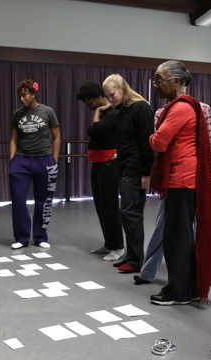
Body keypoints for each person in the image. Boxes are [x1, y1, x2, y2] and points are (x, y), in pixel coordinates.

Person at [135, 75, 211, 285]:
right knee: (165, 226)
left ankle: (194, 277)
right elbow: (160, 148)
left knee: (194, 229)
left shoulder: (203, 109)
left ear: (176, 82)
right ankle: (150, 272)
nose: (156, 85)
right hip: (173, 178)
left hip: (195, 177)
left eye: (160, 80)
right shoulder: (161, 112)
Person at [102, 74, 154, 273]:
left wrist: (146, 172)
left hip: (136, 169)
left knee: (131, 214)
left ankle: (135, 261)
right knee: (128, 214)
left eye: (112, 94)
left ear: (122, 89)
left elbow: (147, 141)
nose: (110, 99)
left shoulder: (140, 107)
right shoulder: (122, 110)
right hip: (125, 168)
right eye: (107, 96)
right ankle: (131, 256)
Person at [9, 79, 60, 250]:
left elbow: (57, 137)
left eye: (24, 95)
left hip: (44, 160)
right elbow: (13, 139)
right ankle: (21, 238)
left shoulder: (47, 111)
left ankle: (40, 237)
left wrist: (54, 160)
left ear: (33, 93)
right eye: (19, 96)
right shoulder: (17, 114)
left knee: (43, 201)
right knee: (18, 200)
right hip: (21, 160)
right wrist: (12, 161)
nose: (21, 98)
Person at [76, 81, 124, 261]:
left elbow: (94, 130)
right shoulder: (105, 113)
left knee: (110, 206)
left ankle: (118, 247)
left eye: (90, 104)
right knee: (100, 205)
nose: (89, 107)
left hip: (109, 166)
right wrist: (97, 113)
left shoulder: (111, 113)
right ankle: (109, 243)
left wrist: (97, 113)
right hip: (98, 165)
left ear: (98, 97)